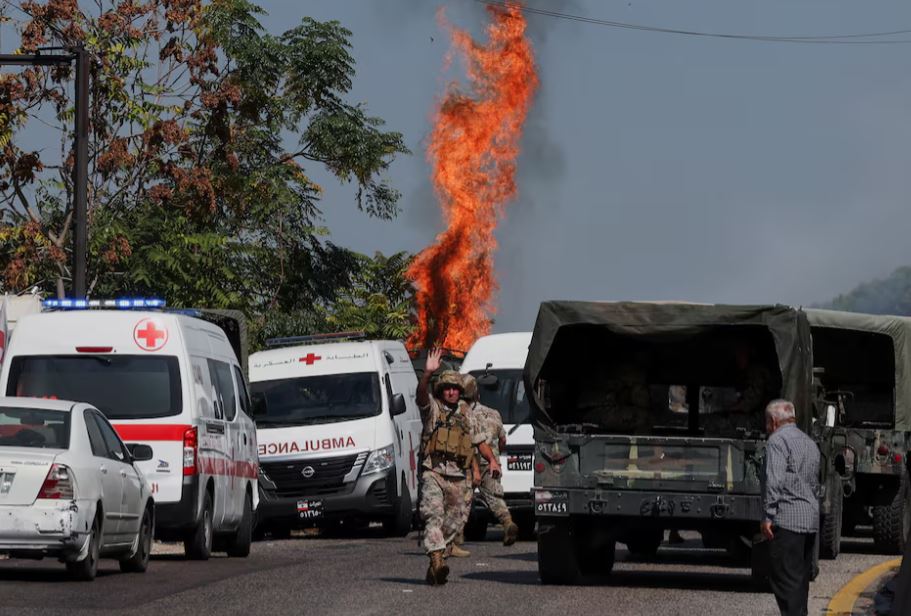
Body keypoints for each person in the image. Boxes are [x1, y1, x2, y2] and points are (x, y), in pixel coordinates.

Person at [417, 349, 501, 586]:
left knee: (454, 524)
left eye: (455, 388)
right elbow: (421, 395)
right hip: (434, 472)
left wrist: (492, 460)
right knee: (433, 516)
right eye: (447, 388)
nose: (451, 391)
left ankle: (436, 565)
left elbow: (479, 441)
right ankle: (436, 559)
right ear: (441, 391)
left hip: (458, 478)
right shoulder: (433, 410)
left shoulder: (467, 414)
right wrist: (427, 374)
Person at [761, 399, 820, 616]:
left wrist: (768, 516)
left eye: (767, 422)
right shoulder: (809, 443)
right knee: (799, 583)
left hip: (787, 522)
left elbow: (774, 481)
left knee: (785, 584)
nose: (766, 427)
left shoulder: (777, 441)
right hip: (809, 522)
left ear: (774, 421)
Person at [458, 374, 520, 548]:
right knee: (495, 496)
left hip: (468, 462)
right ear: (477, 395)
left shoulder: (459, 414)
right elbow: (502, 440)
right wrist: (495, 457)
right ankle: (507, 522)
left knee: (463, 499)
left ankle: (456, 538)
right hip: (491, 461)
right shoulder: (493, 413)